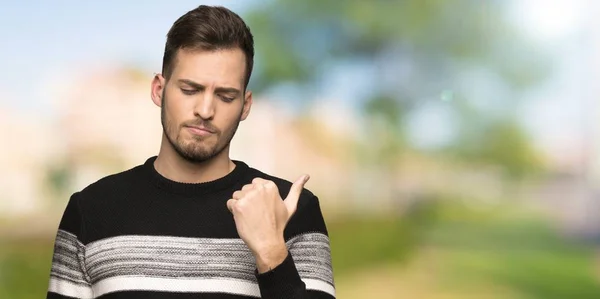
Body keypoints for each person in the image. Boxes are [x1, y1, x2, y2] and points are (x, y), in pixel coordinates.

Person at [46, 5, 335, 299]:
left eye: (225, 96)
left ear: (245, 105)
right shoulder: (91, 211)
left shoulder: (291, 211)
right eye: (189, 90)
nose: (205, 110)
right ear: (159, 89)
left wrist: (271, 253)